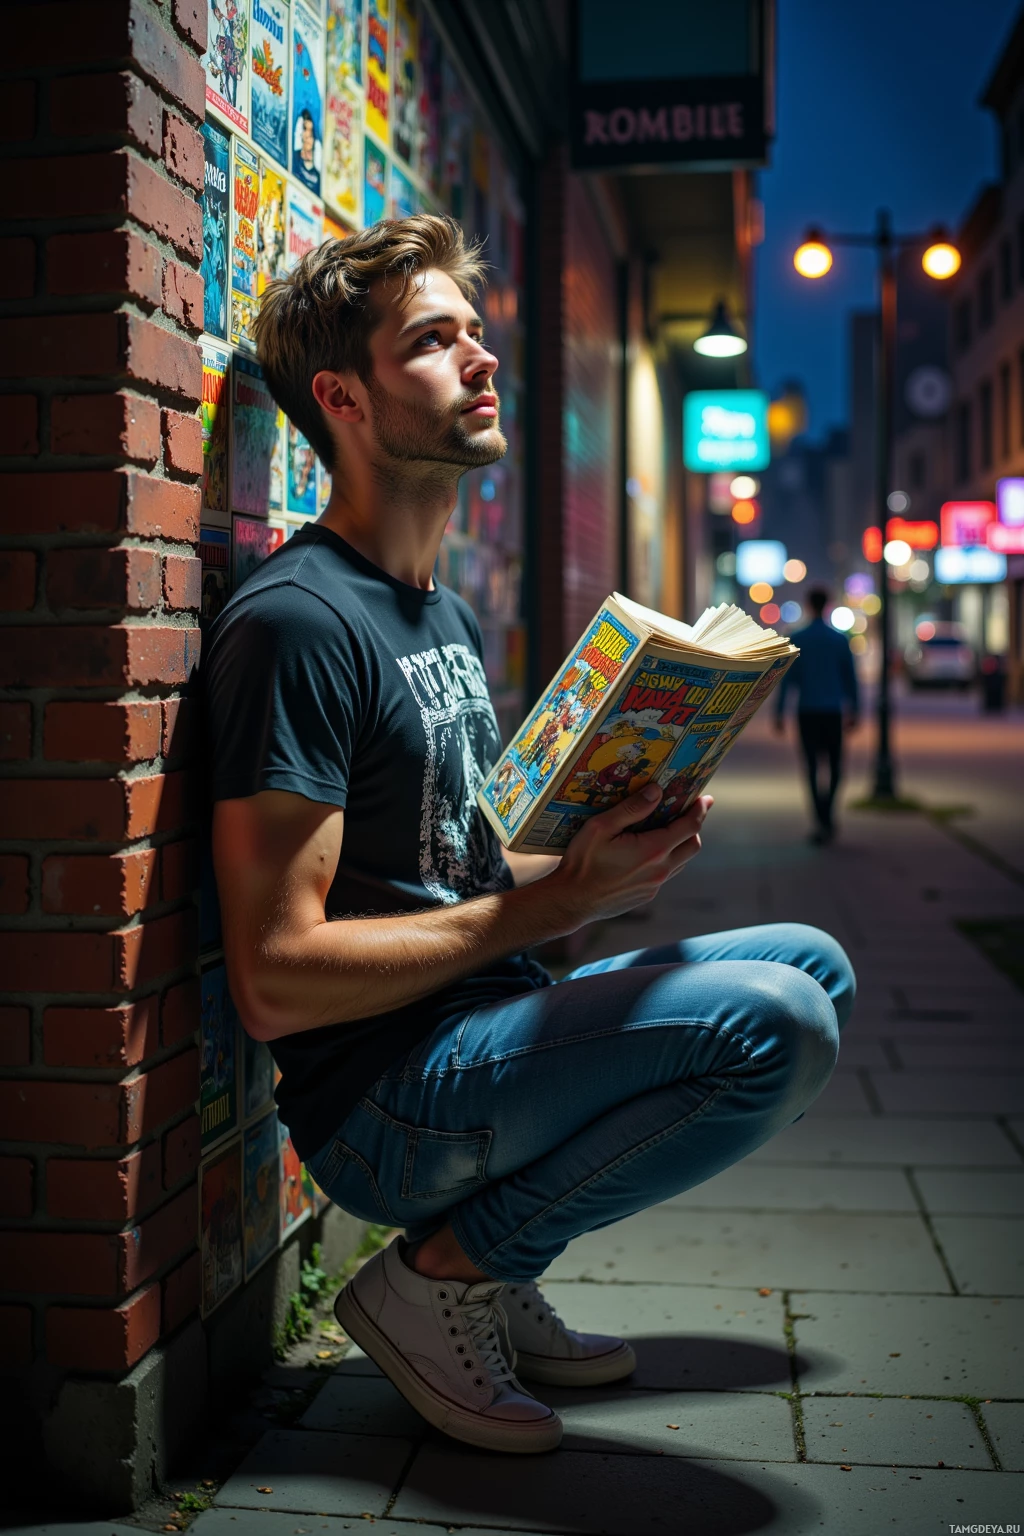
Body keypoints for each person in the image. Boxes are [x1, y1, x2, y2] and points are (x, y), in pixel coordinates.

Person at [202, 215, 855, 1456]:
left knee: (814, 962)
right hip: (388, 1102)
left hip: (480, 1027)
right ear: (342, 398)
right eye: (431, 339)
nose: (482, 356)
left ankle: (487, 1268)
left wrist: (612, 845)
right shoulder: (298, 624)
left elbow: (455, 867)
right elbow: (274, 978)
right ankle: (440, 1278)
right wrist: (553, 908)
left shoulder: (438, 612)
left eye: (474, 329)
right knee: (778, 1024)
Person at [774, 587, 860, 843]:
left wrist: (779, 712)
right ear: (827, 605)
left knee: (811, 767)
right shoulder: (839, 640)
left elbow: (787, 680)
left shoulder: (798, 638)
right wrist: (854, 709)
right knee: (835, 767)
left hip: (807, 711)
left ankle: (820, 818)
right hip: (833, 711)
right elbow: (850, 678)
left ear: (809, 605)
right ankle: (827, 812)